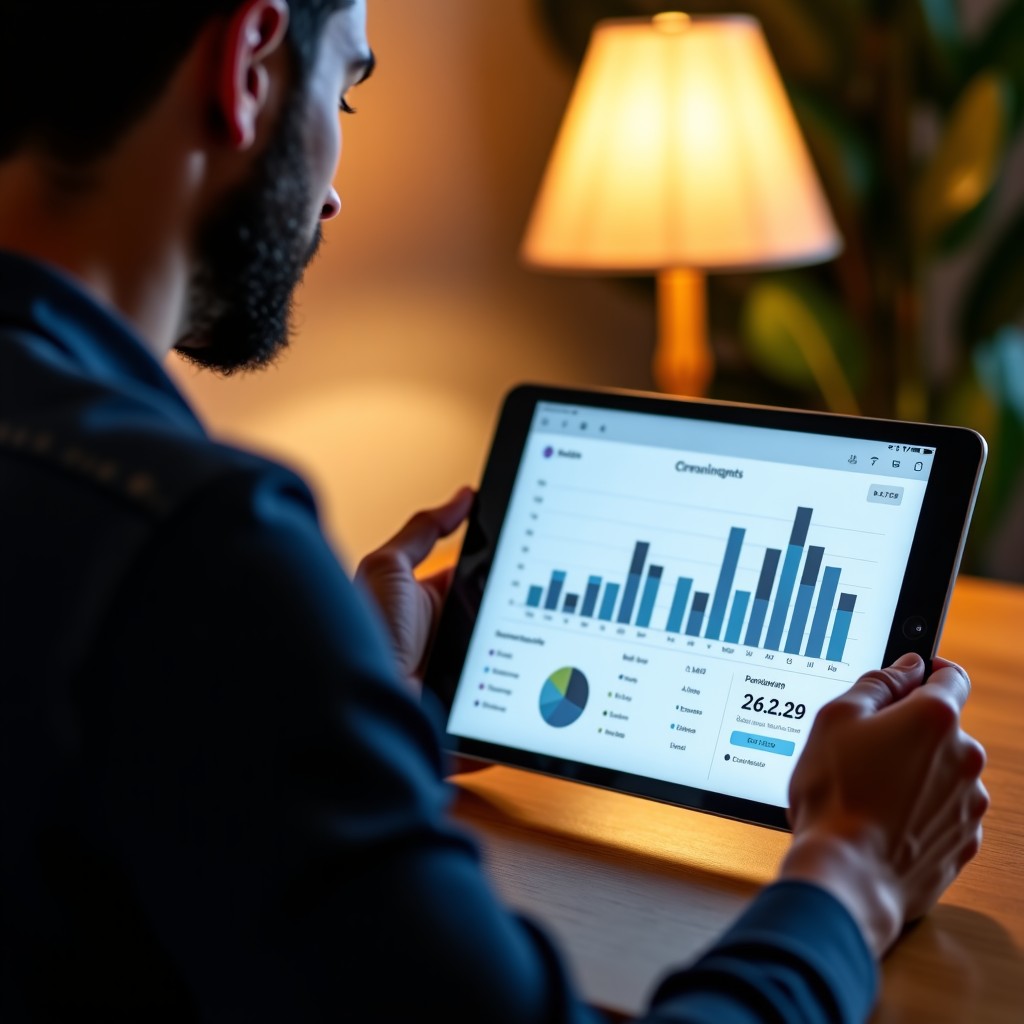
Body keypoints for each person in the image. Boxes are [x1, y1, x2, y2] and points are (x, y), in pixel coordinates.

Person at [0, 1, 988, 1021]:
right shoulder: (200, 544)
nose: (332, 195)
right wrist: (851, 874)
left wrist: (363, 706)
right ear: (247, 66)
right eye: (343, 89)